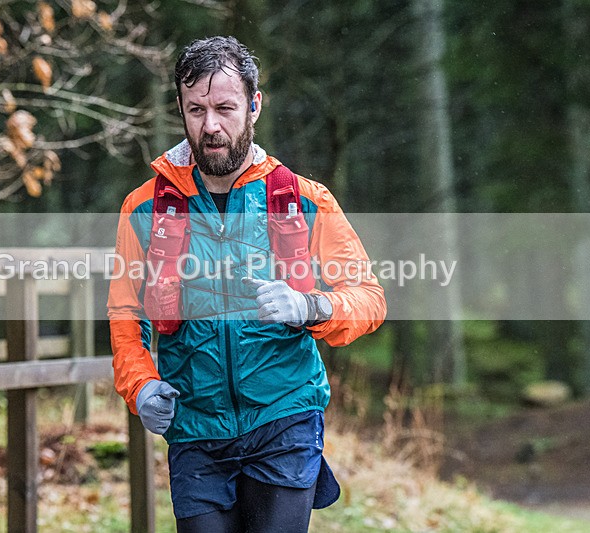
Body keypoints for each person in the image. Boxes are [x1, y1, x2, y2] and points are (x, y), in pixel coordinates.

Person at [108, 36, 386, 533]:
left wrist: (310, 305)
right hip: (194, 428)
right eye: (195, 110)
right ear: (180, 108)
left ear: (254, 106)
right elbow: (126, 316)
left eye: (224, 108)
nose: (210, 125)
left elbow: (369, 299)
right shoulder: (144, 208)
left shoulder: (303, 199)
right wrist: (141, 385)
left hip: (284, 418)